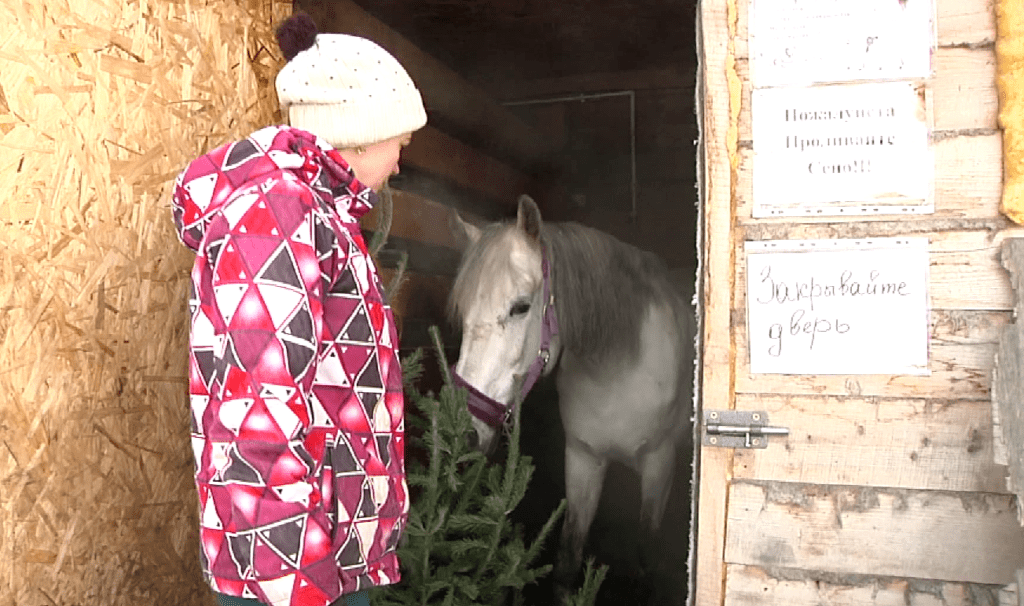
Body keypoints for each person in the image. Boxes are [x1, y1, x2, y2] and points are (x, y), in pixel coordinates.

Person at [171, 12, 426, 606]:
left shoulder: (317, 213)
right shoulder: (277, 215)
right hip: (289, 572)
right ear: (359, 134)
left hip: (321, 552)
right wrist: (297, 583)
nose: (399, 163)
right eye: (399, 143)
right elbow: (259, 405)